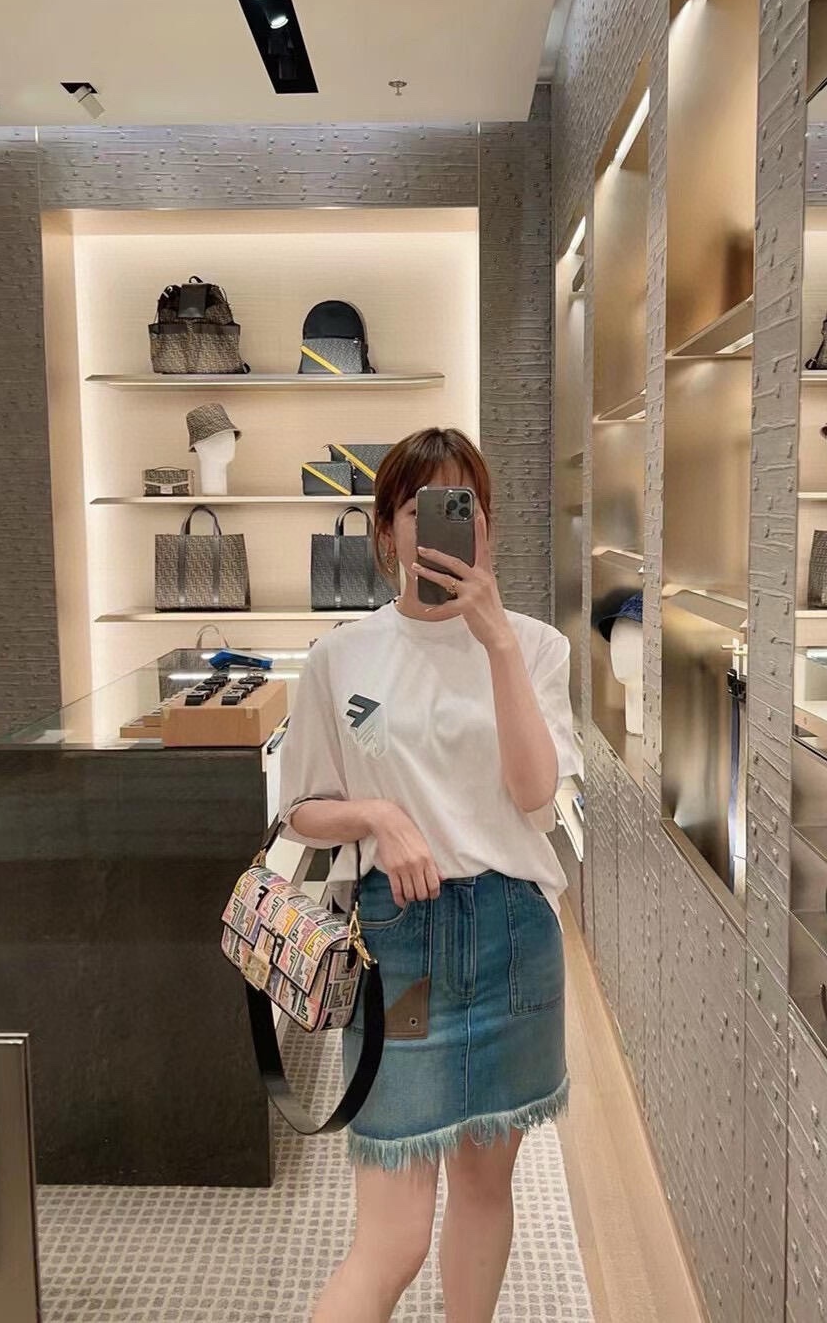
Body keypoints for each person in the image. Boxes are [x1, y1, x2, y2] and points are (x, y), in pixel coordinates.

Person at [277, 427, 579, 1323]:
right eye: (421, 509)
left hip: (514, 944)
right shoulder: (341, 658)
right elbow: (301, 810)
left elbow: (535, 796)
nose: (445, 525)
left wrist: (498, 646)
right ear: (386, 532)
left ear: (487, 527)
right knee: (394, 1236)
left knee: (484, 1192)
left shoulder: (536, 648)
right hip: (399, 949)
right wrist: (378, 817)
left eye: (463, 506)